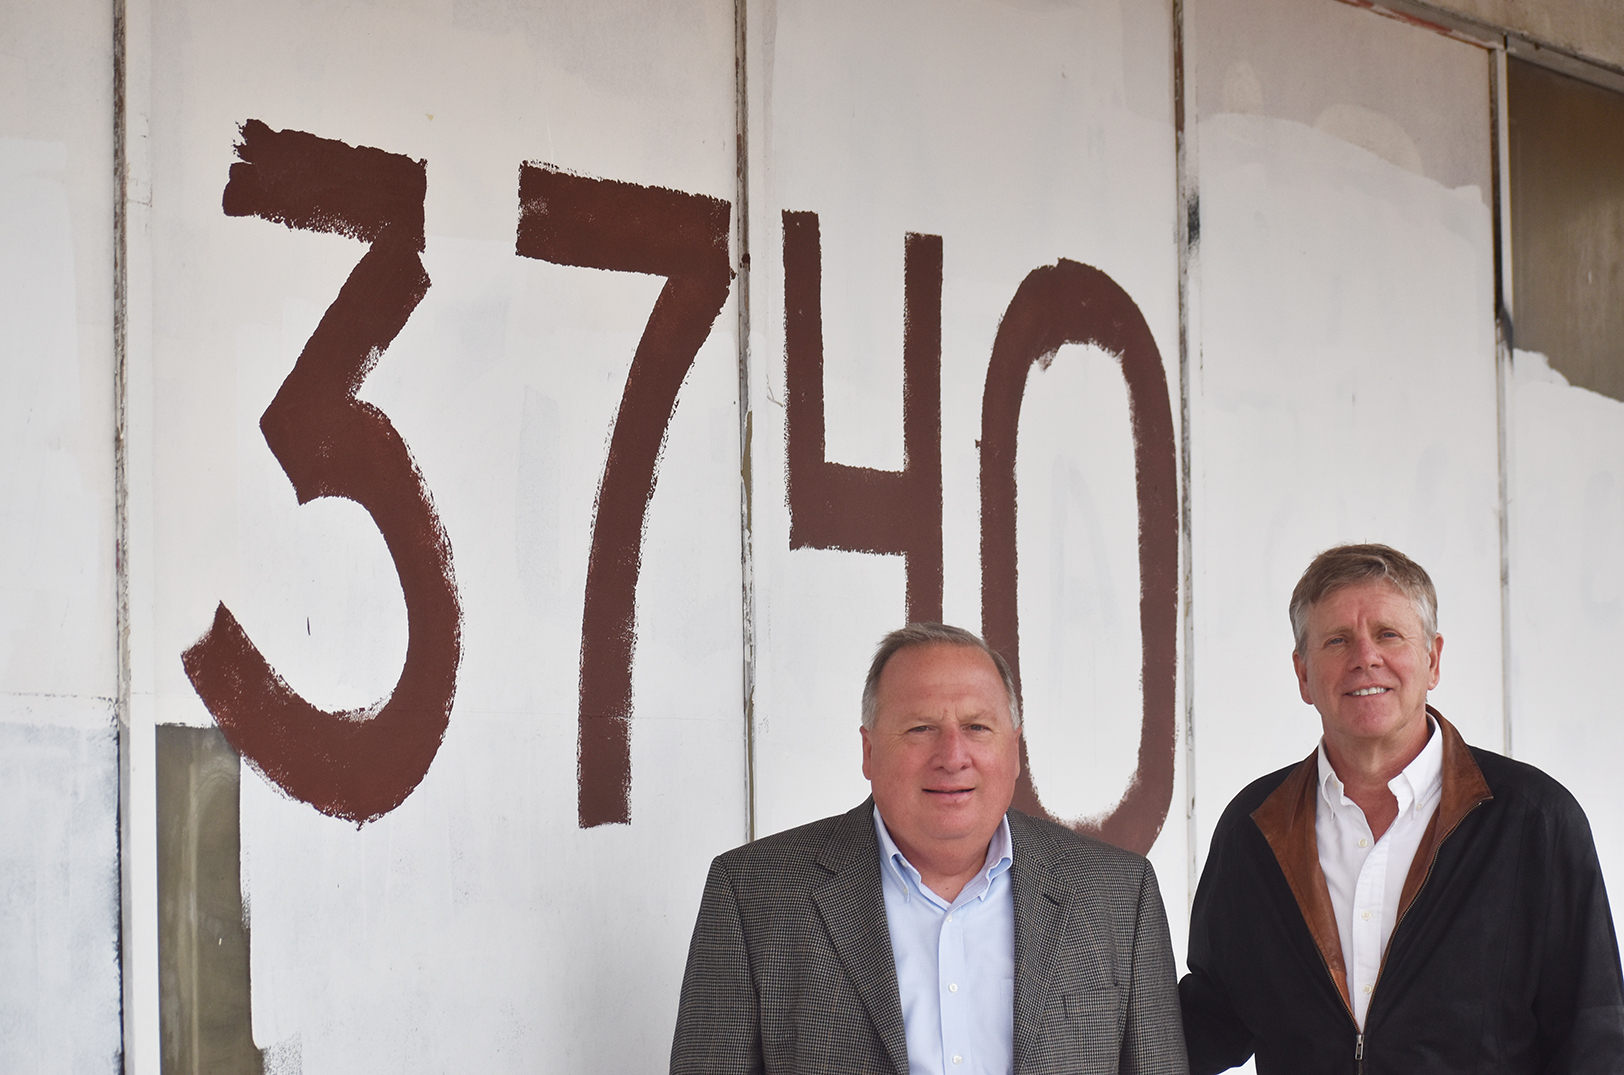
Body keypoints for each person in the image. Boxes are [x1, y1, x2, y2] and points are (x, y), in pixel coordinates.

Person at [1181, 544, 1624, 1073]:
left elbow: (1592, 1036)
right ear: (1303, 675)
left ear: (1433, 659)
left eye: (1388, 634)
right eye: (1337, 640)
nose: (1365, 657)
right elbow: (1215, 1017)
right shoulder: (1256, 826)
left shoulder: (1536, 819)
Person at [671, 622, 1188, 1075]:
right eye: (921, 729)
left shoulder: (1119, 893)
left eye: (976, 727)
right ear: (869, 750)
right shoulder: (752, 893)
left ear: (1014, 750)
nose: (952, 755)